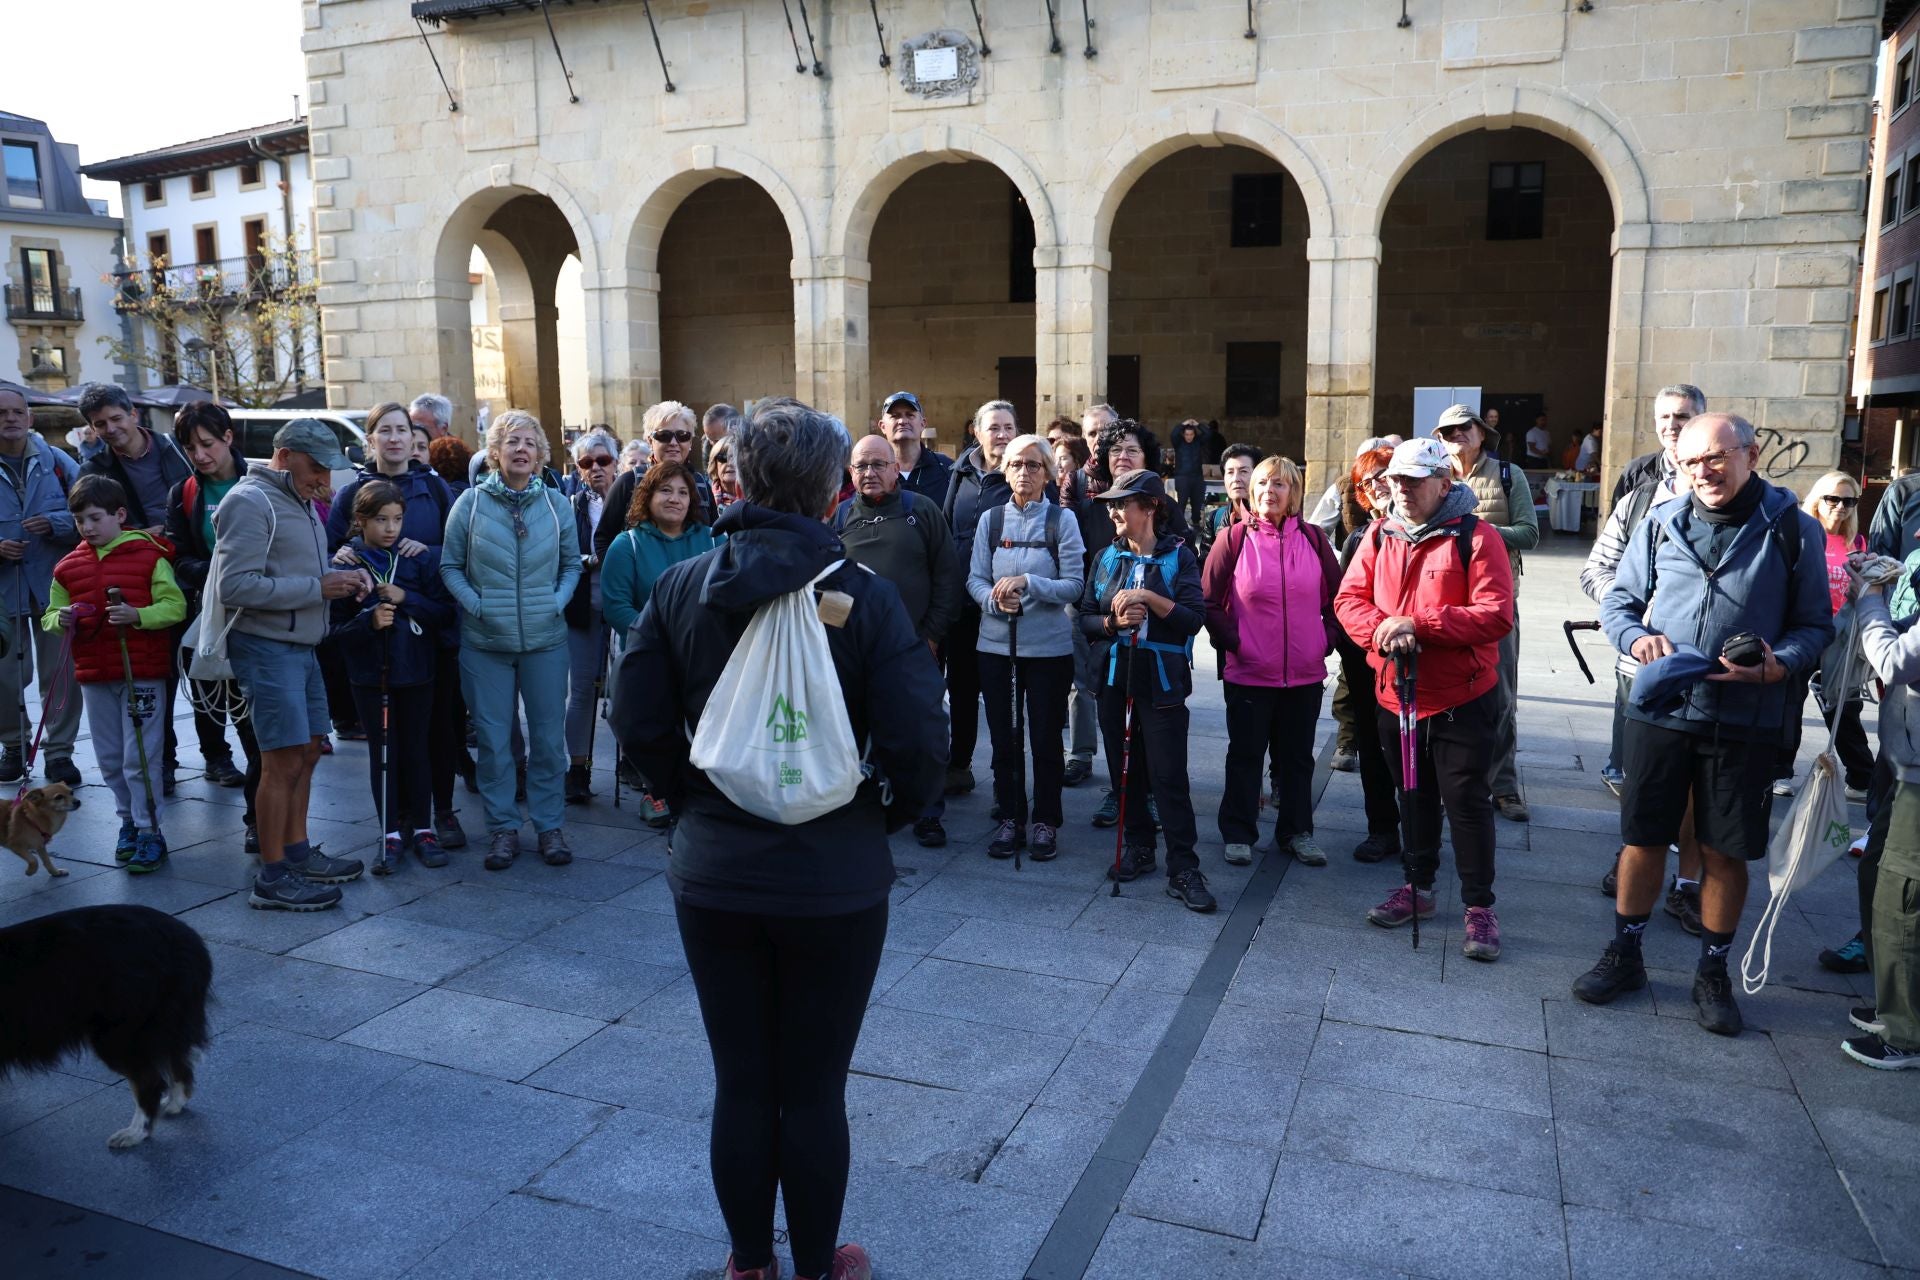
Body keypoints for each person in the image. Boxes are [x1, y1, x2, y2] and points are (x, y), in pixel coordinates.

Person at [611, 398, 944, 1280]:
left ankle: (750, 1262)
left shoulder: (682, 587)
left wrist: (689, 800)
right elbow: (918, 742)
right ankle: (815, 1266)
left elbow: (636, 718)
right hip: (835, 878)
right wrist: (877, 814)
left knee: (744, 1082)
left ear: (736, 481)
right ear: (833, 488)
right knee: (815, 1088)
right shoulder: (866, 601)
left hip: (716, 872)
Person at [1577, 413, 1834, 1036]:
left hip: (1744, 716)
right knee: (1642, 838)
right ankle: (1626, 955)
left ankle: (1713, 971)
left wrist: (1781, 665)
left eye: (1716, 458)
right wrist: (1635, 638)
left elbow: (1815, 626)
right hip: (1661, 707)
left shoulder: (1792, 530)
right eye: (1690, 463)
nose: (1703, 472)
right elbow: (1618, 599)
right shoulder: (1662, 522)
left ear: (1749, 455)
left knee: (1725, 848)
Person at [1334, 437, 1515, 961]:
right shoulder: (1378, 533)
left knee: (1466, 803)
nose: (1403, 490)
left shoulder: (1477, 538)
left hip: (1460, 697)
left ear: (1445, 483)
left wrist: (1421, 625)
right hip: (1397, 694)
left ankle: (1480, 908)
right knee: (1411, 796)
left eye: (1414, 481)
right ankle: (1418, 888)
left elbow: (1495, 613)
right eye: (1396, 481)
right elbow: (1349, 599)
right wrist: (1384, 629)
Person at [214, 421, 373, 909]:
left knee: (305, 751)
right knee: (281, 760)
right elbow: (235, 587)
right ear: (284, 456)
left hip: (299, 644)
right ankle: (273, 875)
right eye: (317, 467)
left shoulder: (297, 499)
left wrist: (340, 577)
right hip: (267, 648)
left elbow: (296, 571)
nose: (325, 480)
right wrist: (318, 588)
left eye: (329, 469)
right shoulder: (249, 501)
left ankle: (298, 853)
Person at [1578, 384, 1705, 924]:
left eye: (1684, 417)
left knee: (1699, 788)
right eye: (1665, 418)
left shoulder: (1748, 500)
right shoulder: (1638, 499)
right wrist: (1632, 617)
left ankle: (1690, 882)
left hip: (1711, 670)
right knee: (1640, 775)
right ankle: (1635, 860)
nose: (1673, 427)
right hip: (1642, 668)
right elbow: (1596, 569)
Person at [441, 410, 581, 870]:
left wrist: (556, 601)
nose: (521, 449)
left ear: (541, 454)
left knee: (546, 740)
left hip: (545, 639)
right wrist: (478, 606)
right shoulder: (471, 504)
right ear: (495, 453)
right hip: (484, 643)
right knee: (495, 742)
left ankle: (548, 826)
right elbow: (450, 568)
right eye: (511, 441)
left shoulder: (558, 506)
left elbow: (571, 565)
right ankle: (502, 828)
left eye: (529, 442)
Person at [1080, 468, 1211, 908]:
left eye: (1123, 503)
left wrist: (1151, 600)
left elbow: (1194, 618)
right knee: (1124, 771)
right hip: (1116, 677)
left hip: (1162, 681)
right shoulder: (1106, 558)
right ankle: (1139, 846)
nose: (1114, 511)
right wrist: (1112, 622)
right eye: (1112, 504)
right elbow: (1084, 618)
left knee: (1169, 776)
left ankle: (1184, 866)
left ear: (1151, 507)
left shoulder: (1180, 555)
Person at [1204, 455, 1342, 868]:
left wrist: (1325, 640)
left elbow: (1340, 600)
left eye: (1279, 484)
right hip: (1249, 672)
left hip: (1304, 673)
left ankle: (1297, 832)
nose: (1269, 491)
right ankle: (1238, 832)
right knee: (1245, 754)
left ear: (1294, 493)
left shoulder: (1315, 540)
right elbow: (1208, 602)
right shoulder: (1232, 539)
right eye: (1263, 483)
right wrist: (1236, 642)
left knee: (1298, 757)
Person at [44, 475, 184, 870]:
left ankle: (150, 828)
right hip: (94, 673)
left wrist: (139, 615)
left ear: (120, 515)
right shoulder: (68, 566)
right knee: (108, 757)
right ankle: (128, 822)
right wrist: (63, 617)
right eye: (79, 521)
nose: (87, 528)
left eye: (94, 518)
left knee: (141, 756)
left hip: (140, 671)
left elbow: (174, 606)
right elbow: (50, 616)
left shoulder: (149, 555)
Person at [968, 432, 1086, 860]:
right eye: (1016, 464)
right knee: (1004, 737)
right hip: (996, 646)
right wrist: (995, 600)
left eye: (1033, 465)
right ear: (1005, 469)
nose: (1023, 471)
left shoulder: (1062, 521)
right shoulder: (991, 521)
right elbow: (975, 579)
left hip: (1048, 651)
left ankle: (1045, 821)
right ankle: (1011, 816)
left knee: (1045, 739)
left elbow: (1074, 585)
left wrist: (1029, 583)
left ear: (1048, 474)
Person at [837, 434, 960, 845]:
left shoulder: (921, 510)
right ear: (851, 473)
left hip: (913, 648)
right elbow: (826, 584)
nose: (869, 472)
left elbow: (947, 579)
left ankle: (928, 810)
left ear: (895, 469)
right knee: (857, 730)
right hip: (855, 653)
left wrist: (931, 636)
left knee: (921, 732)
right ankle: (865, 805)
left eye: (878, 464)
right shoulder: (838, 517)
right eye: (861, 466)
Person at [329, 480, 457, 871]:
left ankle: (422, 827)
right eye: (381, 520)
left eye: (397, 519)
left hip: (417, 672)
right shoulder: (346, 564)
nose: (390, 528)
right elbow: (334, 633)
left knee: (418, 749)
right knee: (383, 753)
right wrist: (369, 621)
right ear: (360, 521)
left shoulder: (416, 559)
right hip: (371, 678)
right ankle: (390, 832)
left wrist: (407, 599)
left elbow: (444, 614)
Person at [78, 383, 194, 790]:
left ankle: (216, 755)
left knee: (202, 668)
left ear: (134, 415)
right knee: (154, 674)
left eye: (115, 418)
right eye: (99, 424)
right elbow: (93, 521)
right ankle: (163, 761)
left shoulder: (176, 448)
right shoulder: (95, 467)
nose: (110, 429)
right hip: (141, 575)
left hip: (191, 566)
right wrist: (141, 534)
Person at [600, 460, 723, 826]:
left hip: (703, 651)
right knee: (654, 718)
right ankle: (657, 790)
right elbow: (617, 605)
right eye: (665, 490)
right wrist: (657, 638)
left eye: (683, 492)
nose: (675, 498)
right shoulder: (628, 545)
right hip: (648, 653)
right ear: (647, 496)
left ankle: (706, 789)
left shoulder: (714, 539)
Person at [1433, 404, 1538, 822]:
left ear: (1481, 432)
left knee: (1500, 697)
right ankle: (1451, 782)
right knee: (1444, 696)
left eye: (1464, 427)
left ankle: (1505, 786)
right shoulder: (1434, 477)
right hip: (1442, 601)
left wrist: (1479, 532)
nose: (1455, 435)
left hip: (1494, 601)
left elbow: (1530, 533)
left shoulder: (1508, 475)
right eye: (1447, 430)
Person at [1844, 553, 1920, 1069]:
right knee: (1877, 874)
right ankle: (1894, 1004)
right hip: (1904, 760)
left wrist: (1870, 600)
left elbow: (1897, 661)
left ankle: (1905, 1031)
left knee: (1902, 896)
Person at [165, 403, 254, 794]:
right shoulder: (183, 493)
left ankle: (260, 771)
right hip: (206, 606)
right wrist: (212, 575)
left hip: (257, 607)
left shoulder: (260, 480)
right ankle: (216, 756)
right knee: (206, 682)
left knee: (251, 701)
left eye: (207, 444)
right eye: (190, 447)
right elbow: (178, 555)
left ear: (228, 438)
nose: (200, 455)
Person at [0, 383, 81, 788]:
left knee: (61, 673)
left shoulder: (59, 462)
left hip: (56, 587)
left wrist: (56, 524)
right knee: (5, 676)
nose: (10, 419)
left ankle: (60, 753)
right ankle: (14, 745)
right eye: (1, 413)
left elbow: (90, 515)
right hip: (3, 595)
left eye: (16, 411)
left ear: (29, 418)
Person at [939, 400, 1020, 795]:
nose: (1001, 435)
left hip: (1002, 604)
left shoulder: (1022, 475)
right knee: (962, 686)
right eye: (994, 427)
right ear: (977, 431)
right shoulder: (960, 472)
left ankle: (1007, 779)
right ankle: (960, 763)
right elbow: (947, 527)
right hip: (961, 602)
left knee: (1002, 692)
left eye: (1008, 427)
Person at [1330, 446, 1406, 862]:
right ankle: (1382, 828)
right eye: (1367, 481)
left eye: (1385, 475)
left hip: (1414, 658)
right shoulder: (1360, 537)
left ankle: (1419, 827)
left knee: (1415, 751)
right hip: (1365, 661)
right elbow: (1344, 599)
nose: (1377, 486)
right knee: (1374, 748)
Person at [1781, 473, 1874, 799]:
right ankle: (1781, 771)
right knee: (1789, 703)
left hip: (1840, 637)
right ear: (1817, 500)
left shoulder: (1858, 543)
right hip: (1801, 632)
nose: (1840, 507)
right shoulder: (1802, 535)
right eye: (1832, 498)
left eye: (1849, 501)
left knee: (1844, 708)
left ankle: (1862, 778)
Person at [563, 428, 620, 805]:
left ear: (616, 464)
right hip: (583, 608)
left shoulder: (632, 500)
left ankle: (634, 763)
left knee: (628, 690)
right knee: (582, 690)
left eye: (603, 460)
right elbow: (562, 555)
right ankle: (578, 768)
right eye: (587, 462)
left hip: (622, 605)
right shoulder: (570, 506)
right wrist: (590, 560)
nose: (596, 468)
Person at [594, 401, 714, 564]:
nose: (673, 443)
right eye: (664, 435)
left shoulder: (702, 486)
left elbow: (713, 537)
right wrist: (620, 575)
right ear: (650, 441)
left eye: (682, 436)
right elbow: (604, 538)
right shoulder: (628, 483)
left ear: (690, 443)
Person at [1054, 434, 1104, 788]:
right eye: (1092, 433)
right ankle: (1082, 753)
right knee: (1079, 679)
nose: (1098, 439)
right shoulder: (1075, 483)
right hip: (1080, 593)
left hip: (1126, 592)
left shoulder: (1134, 477)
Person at [879, 391, 953, 505]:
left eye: (910, 415)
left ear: (923, 423)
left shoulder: (947, 469)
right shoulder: (873, 472)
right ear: (882, 426)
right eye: (895, 416)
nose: (902, 421)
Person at [1170, 420, 1209, 535]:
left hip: (1197, 477)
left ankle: (1196, 525)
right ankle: (1179, 526)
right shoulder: (1178, 442)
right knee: (1181, 502)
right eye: (1187, 434)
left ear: (1194, 434)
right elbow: (1173, 434)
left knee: (1197, 503)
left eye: (1191, 434)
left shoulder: (1198, 442)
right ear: (1183, 434)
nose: (1189, 437)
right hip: (1182, 477)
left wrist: (1198, 424)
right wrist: (1182, 424)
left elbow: (1208, 434)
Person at [699, 402, 737, 470]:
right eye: (710, 439)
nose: (714, 446)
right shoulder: (707, 447)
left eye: (718, 441)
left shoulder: (750, 451)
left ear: (735, 429)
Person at [709, 436, 742, 511]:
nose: (730, 463)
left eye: (735, 457)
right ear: (715, 465)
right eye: (723, 457)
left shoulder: (757, 497)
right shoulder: (706, 496)